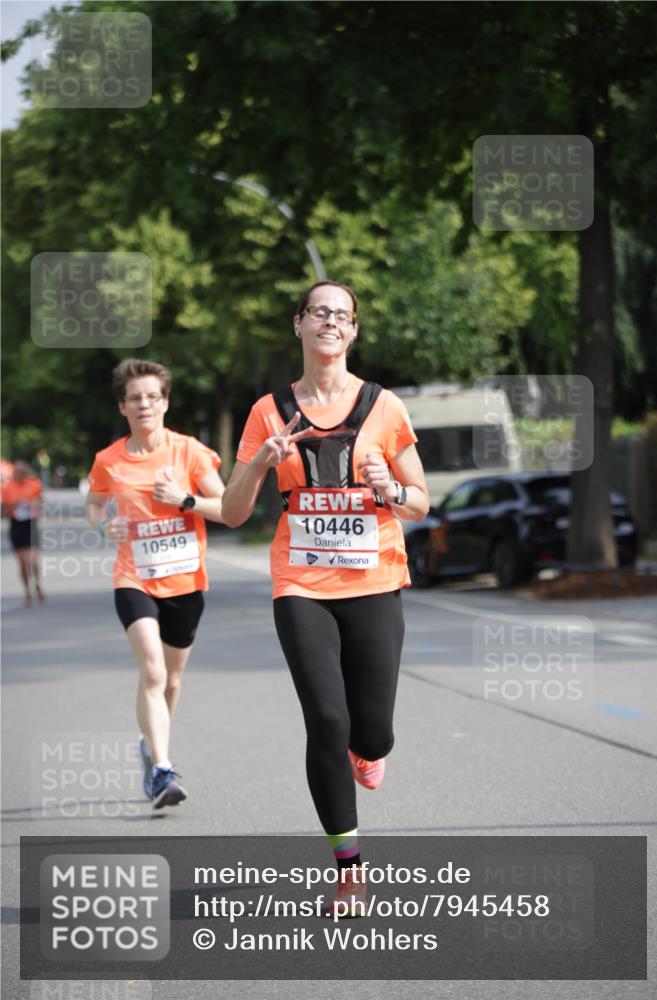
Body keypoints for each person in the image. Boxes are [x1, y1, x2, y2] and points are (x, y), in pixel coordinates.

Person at [221, 281, 429, 915]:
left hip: (374, 581)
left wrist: (389, 485)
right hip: (301, 583)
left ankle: (370, 753)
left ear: (354, 331)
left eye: (342, 315)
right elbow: (231, 513)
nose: (330, 322)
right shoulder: (268, 410)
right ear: (300, 324)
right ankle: (350, 868)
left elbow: (421, 502)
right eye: (320, 312)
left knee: (373, 731)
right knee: (326, 721)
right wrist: (262, 461)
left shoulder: (384, 406)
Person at [86, 359, 225, 809]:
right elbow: (94, 504)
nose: (143, 404)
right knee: (152, 670)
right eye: (134, 398)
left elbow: (227, 507)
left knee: (172, 681)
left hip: (185, 579)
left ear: (164, 403)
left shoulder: (190, 453)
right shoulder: (110, 460)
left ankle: (150, 745)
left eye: (151, 397)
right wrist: (102, 526)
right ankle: (163, 771)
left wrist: (183, 500)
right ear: (122, 407)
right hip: (134, 577)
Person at [1, 460, 45, 607]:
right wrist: (14, 506)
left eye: (22, 472)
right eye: (17, 472)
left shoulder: (34, 484)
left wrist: (33, 505)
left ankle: (37, 583)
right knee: (22, 563)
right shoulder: (7, 488)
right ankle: (27, 591)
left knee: (32, 560)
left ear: (25, 473)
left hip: (30, 524)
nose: (19, 475)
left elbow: (41, 502)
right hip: (16, 525)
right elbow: (4, 512)